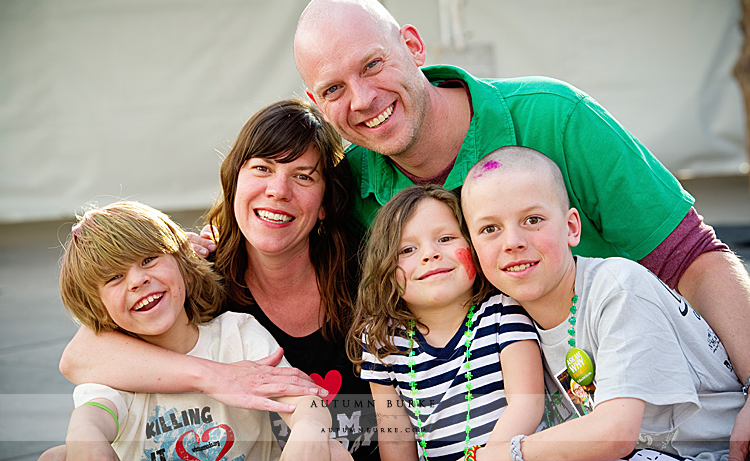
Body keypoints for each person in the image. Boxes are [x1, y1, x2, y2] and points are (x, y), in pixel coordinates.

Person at [291, 0, 750, 459]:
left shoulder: (557, 117)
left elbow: (691, 257)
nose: (363, 99)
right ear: (315, 101)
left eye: (372, 65)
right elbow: (275, 228)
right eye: (333, 89)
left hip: (663, 415)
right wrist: (211, 250)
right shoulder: (347, 186)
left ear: (412, 46)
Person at [58, 100, 379, 460]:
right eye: (262, 168)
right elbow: (78, 358)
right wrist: (214, 376)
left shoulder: (364, 275)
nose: (278, 190)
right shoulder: (196, 279)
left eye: (304, 175)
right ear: (233, 182)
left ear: (324, 203)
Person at [459, 146, 745, 461]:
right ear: (473, 246)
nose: (513, 242)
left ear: (571, 228)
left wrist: (496, 456)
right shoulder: (502, 320)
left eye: (533, 219)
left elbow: (616, 434)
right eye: (490, 229)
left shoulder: (616, 285)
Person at [45, 200, 348, 461]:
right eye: (114, 277)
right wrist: (88, 443)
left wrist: (307, 434)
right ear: (97, 306)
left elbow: (305, 401)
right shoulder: (114, 368)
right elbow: (90, 419)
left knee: (331, 452)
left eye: (149, 260)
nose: (137, 281)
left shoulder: (238, 335)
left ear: (185, 267)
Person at [347, 185, 544, 461]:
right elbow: (395, 434)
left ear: (474, 246)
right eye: (407, 250)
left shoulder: (502, 311)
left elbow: (527, 404)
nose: (430, 254)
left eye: (446, 238)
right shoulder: (383, 341)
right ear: (385, 271)